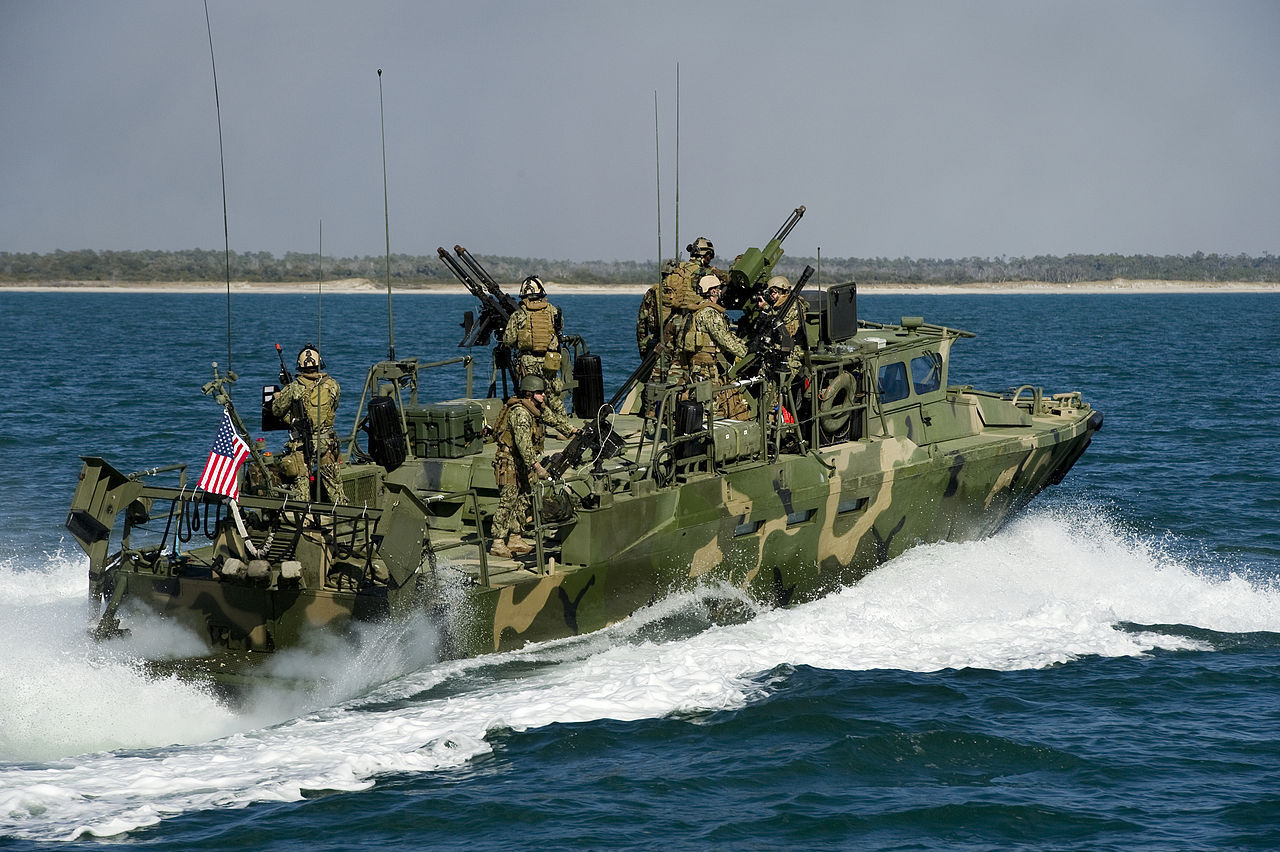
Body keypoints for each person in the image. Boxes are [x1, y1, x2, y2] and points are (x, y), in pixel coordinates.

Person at [271, 344, 348, 503]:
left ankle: (303, 522)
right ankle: (343, 518)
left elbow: (277, 411)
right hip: (327, 442)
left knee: (302, 491)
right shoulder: (333, 385)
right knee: (335, 488)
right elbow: (334, 406)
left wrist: (279, 396)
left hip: (301, 444)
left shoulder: (294, 388)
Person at [503, 275, 576, 436]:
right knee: (553, 395)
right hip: (549, 359)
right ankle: (564, 430)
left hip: (528, 360)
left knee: (529, 397)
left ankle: (532, 430)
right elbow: (559, 328)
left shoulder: (519, 314)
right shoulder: (553, 311)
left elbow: (508, 340)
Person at [489, 373, 551, 558]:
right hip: (509, 463)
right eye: (540, 393)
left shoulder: (535, 409)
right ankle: (497, 542)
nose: (544, 396)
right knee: (508, 501)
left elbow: (552, 419)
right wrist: (537, 466)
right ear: (530, 394)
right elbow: (523, 443)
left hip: (521, 463)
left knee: (524, 498)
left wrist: (570, 430)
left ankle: (515, 537)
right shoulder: (521, 414)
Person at [677, 274, 751, 420]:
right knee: (708, 403)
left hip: (695, 364)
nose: (720, 291)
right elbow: (725, 339)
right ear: (712, 291)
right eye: (717, 289)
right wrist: (747, 353)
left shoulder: (696, 310)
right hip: (706, 366)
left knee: (698, 397)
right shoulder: (710, 313)